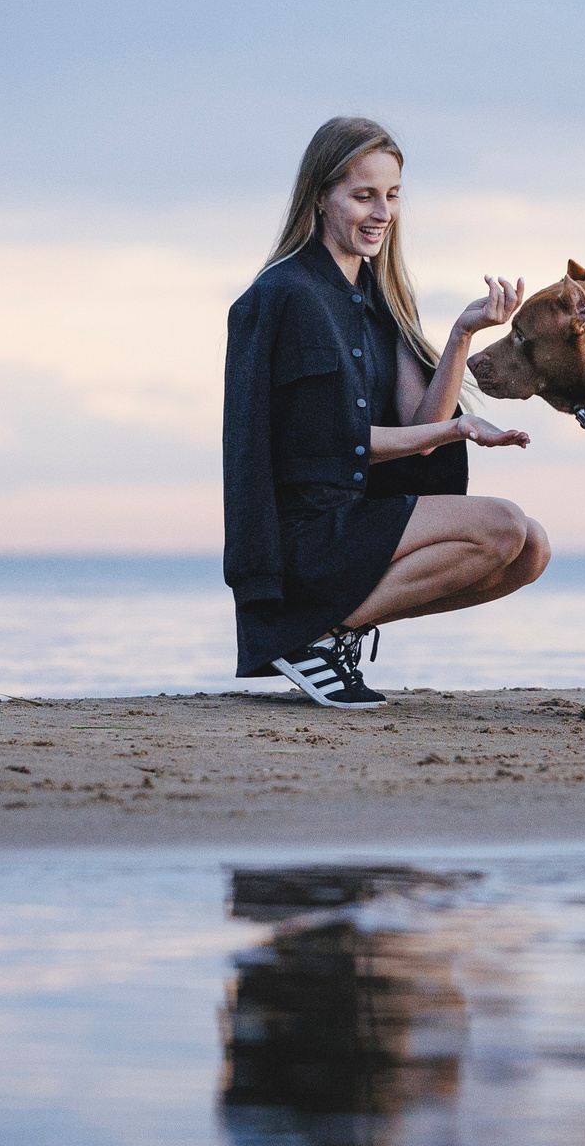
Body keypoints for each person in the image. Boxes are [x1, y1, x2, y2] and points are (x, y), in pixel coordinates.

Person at [223, 117, 550, 707]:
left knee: (531, 550)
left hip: (357, 523)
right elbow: (329, 443)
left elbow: (417, 430)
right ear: (321, 196)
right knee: (503, 524)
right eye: (363, 195)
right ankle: (307, 633)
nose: (381, 212)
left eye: (392, 195)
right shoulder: (286, 294)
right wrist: (458, 427)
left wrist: (461, 334)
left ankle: (324, 635)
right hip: (307, 536)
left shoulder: (378, 298)